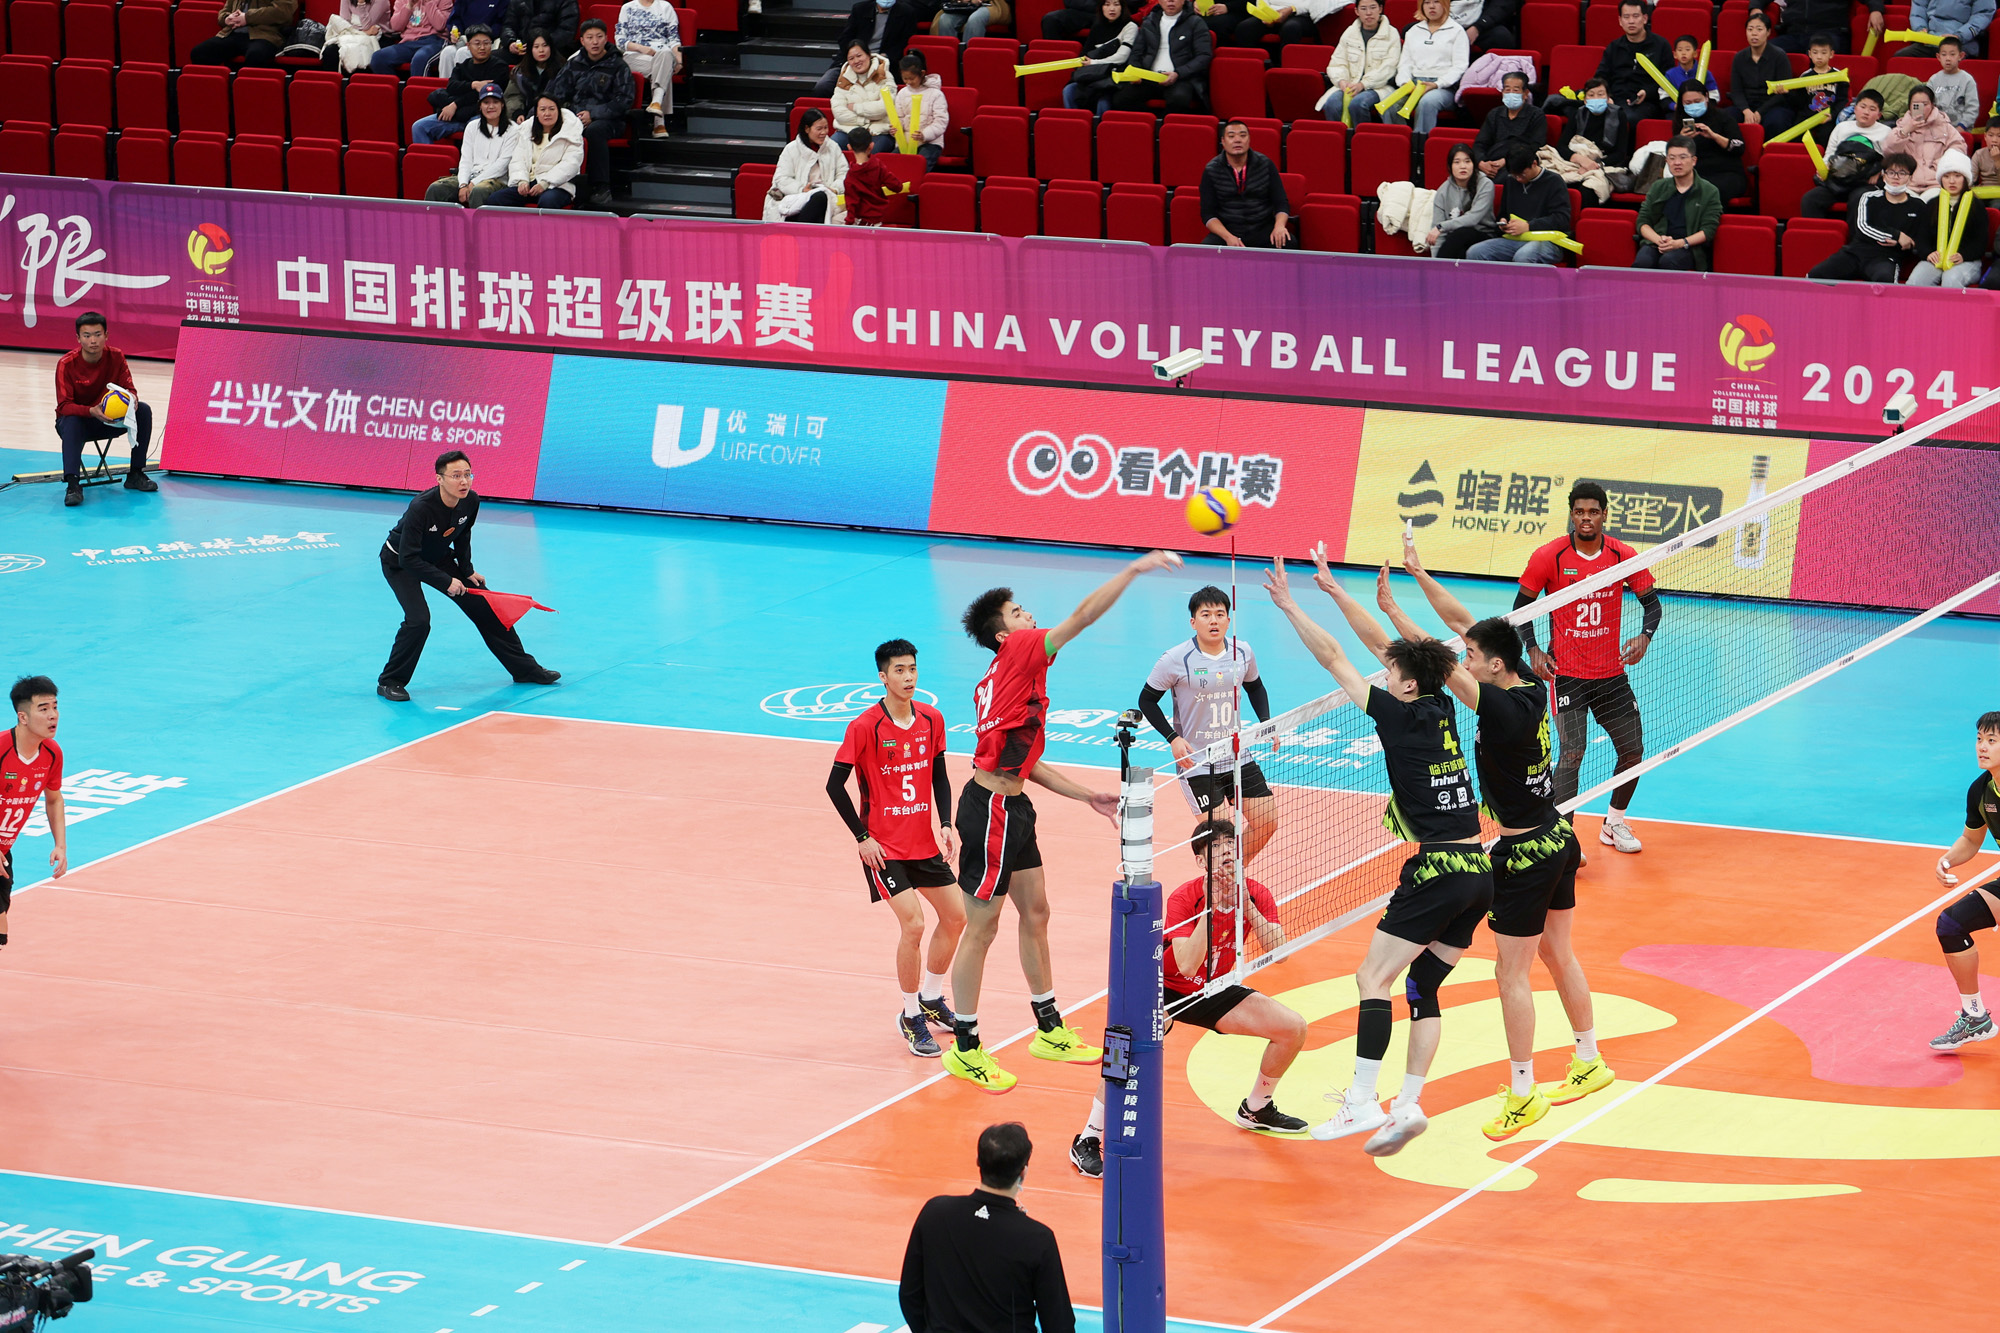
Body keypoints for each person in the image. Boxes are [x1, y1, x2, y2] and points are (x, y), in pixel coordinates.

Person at [1379, 545, 1613, 1142]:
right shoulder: (1529, 679)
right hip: (1559, 836)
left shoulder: (1503, 709)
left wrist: (1394, 616)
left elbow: (1438, 665)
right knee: (1559, 954)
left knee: (1511, 976)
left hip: (1525, 855)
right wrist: (1420, 573)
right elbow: (1464, 625)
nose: (1467, 657)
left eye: (1475, 658)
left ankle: (1523, 1093)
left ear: (1494, 667)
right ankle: (1589, 1059)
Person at [1263, 550, 1488, 1156]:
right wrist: (1339, 594)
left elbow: (1336, 656)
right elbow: (1386, 649)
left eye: (1392, 673)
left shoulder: (1397, 715)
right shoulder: (1439, 703)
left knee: (1372, 979)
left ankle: (1363, 1101)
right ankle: (1407, 1104)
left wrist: (1289, 605)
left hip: (1439, 870)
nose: (1385, 675)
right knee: (1423, 986)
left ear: (1406, 685)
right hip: (1478, 873)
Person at [944, 550, 1184, 1094]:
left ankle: (1049, 1028)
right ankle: (966, 1046)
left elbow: (1021, 763)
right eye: (1018, 612)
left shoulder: (1007, 673)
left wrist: (1084, 796)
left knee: (1037, 912)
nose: (1029, 616)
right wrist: (1134, 569)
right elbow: (1083, 616)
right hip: (990, 813)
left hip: (1014, 808)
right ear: (1004, 635)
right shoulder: (1021, 649)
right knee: (982, 928)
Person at [1071, 816, 1310, 1177]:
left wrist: (1245, 904)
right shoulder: (1185, 897)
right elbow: (1185, 964)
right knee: (1125, 1047)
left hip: (1214, 988)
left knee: (1293, 1028)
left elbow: (1281, 953)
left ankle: (1256, 1108)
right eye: (1216, 846)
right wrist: (1211, 911)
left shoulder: (1256, 892)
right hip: (1159, 985)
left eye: (1230, 844)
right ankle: (1088, 1137)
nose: (1226, 850)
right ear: (1201, 861)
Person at [827, 640, 963, 1057]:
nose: (908, 677)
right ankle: (910, 1015)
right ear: (883, 677)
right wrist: (862, 837)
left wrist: (945, 823)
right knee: (914, 925)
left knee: (957, 917)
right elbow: (835, 785)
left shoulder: (932, 719)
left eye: (913, 669)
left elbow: (939, 775)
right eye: (899, 670)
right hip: (884, 849)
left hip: (923, 843)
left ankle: (931, 997)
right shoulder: (865, 726)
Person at [1515, 482, 1662, 854]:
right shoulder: (1549, 556)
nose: (1586, 518)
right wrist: (1533, 649)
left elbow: (1652, 605)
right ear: (1571, 514)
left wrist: (1644, 637)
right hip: (1567, 675)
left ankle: (1613, 824)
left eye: (1593, 512)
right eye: (1579, 512)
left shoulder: (1621, 555)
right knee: (1572, 753)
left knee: (1633, 751)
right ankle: (1562, 838)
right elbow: (1521, 609)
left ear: (1604, 515)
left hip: (1611, 675)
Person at [376, 451, 561, 701]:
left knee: (487, 608)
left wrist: (466, 570)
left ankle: (525, 670)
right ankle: (390, 681)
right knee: (419, 620)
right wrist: (446, 581)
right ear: (439, 479)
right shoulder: (421, 507)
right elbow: (408, 558)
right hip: (400, 561)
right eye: (456, 476)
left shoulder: (471, 500)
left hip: (438, 556)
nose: (463, 481)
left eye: (467, 475)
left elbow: (462, 535)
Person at [1139, 587, 1277, 861]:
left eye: (1219, 614)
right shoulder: (1175, 659)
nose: (1213, 620)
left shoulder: (1243, 652)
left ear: (1228, 620)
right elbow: (1147, 700)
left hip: (1237, 755)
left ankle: (1233, 874)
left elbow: (1255, 687)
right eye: (1206, 615)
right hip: (1198, 762)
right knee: (1220, 838)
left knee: (1267, 822)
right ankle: (1220, 878)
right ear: (1193, 622)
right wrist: (1173, 738)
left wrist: (1266, 722)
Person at [899, 1124, 1074, 1333]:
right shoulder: (1038, 1238)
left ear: (978, 1162)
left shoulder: (935, 1212)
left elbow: (909, 1295)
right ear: (1023, 1171)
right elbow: (1059, 1324)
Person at [1928, 712, 2000, 1052]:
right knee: (1951, 925)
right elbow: (1971, 839)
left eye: (1992, 741)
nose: (1982, 747)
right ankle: (1975, 1016)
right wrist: (1947, 860)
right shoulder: (1981, 790)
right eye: (1979, 739)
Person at [54, 312, 156, 508]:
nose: (93, 341)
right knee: (72, 420)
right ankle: (73, 485)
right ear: (78, 338)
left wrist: (132, 399)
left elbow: (130, 389)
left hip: (110, 421)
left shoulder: (116, 356)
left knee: (143, 410)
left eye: (98, 334)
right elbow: (64, 406)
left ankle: (136, 473)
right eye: (87, 335)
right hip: (79, 424)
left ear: (106, 335)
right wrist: (91, 411)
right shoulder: (66, 364)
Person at [0, 676, 68, 955]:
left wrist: (60, 845)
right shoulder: (1, 749)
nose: (53, 715)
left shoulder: (52, 754)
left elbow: (54, 799)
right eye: (43, 708)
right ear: (23, 717)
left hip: (4, 852)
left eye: (55, 707)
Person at [549, 18, 639, 208]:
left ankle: (601, 186)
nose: (595, 42)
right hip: (575, 117)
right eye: (590, 37)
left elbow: (624, 101)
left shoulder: (618, 66)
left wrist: (593, 114)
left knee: (594, 130)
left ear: (606, 38)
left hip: (610, 120)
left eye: (599, 37)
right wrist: (574, 115)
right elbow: (555, 94)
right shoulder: (573, 64)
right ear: (582, 41)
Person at [1547, 0, 1670, 124]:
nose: (1631, 21)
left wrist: (1648, 92)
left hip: (1646, 102)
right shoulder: (1614, 46)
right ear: (1620, 21)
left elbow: (1668, 80)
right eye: (1626, 17)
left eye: (1635, 16)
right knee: (1577, 112)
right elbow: (1601, 76)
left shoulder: (1661, 45)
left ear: (1645, 18)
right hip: (1615, 98)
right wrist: (1605, 96)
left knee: (1625, 118)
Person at [1809, 148, 1926, 279]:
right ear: (1884, 175)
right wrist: (1897, 235)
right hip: (1855, 252)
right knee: (1815, 275)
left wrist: (1905, 243)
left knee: (1884, 279)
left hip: (1886, 257)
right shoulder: (1869, 197)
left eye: (1902, 173)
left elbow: (1918, 239)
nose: (1896, 177)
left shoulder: (1918, 206)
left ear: (1910, 178)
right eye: (1891, 172)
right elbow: (1863, 227)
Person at [1466, 142, 1569, 264]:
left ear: (1534, 164)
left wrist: (1529, 226)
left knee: (1524, 255)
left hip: (1546, 240)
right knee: (1475, 252)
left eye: (1522, 175)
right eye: (1515, 175)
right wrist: (1503, 223)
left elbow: (1561, 219)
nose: (1518, 179)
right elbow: (1503, 213)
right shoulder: (1511, 181)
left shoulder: (1554, 181)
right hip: (1515, 239)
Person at [1199, 119, 1293, 248]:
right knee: (1206, 250)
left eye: (1243, 135)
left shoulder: (1266, 164)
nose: (1237, 140)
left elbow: (1281, 203)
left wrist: (1279, 226)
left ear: (1249, 140)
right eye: (1231, 136)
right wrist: (1228, 237)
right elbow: (1208, 214)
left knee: (1288, 242)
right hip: (1228, 230)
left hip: (1263, 229)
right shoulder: (1212, 170)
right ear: (1223, 142)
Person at [1110, 0, 1212, 117]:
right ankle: (1150, 124)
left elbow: (1204, 56)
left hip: (1181, 78)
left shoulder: (1195, 22)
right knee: (1121, 99)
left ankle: (1165, 126)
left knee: (1179, 99)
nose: (1170, 1)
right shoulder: (1149, 21)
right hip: (1149, 76)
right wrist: (1135, 72)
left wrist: (1178, 73)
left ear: (1184, 1)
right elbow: (1137, 52)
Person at [1633, 136, 1721, 270]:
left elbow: (1708, 230)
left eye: (1683, 157)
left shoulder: (1709, 191)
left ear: (1694, 161)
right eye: (1672, 158)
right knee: (1642, 263)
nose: (1677, 163)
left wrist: (1680, 243)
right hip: (1658, 242)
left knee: (1669, 262)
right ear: (1666, 161)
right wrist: (1658, 240)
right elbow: (1643, 221)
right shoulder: (1658, 187)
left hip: (1688, 246)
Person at [411, 26, 512, 142]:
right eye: (477, 44)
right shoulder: (462, 66)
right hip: (459, 114)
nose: (482, 47)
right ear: (468, 46)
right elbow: (451, 87)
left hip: (481, 114)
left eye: (486, 43)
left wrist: (455, 104)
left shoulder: (499, 67)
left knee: (474, 126)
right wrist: (473, 85)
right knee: (419, 127)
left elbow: (485, 96)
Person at [1798, 90, 1888, 218]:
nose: (1866, 112)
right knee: (1810, 199)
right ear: (1855, 108)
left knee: (1859, 200)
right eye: (1862, 107)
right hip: (1838, 179)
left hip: (1865, 182)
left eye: (1872, 109)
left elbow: (1892, 161)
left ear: (1879, 115)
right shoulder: (1842, 127)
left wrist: (1880, 172)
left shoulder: (1886, 132)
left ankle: (1853, 232)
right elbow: (1829, 154)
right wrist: (1824, 168)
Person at [424, 84, 520, 203]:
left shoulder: (514, 130)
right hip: (471, 176)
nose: (491, 106)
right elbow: (466, 160)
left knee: (478, 191)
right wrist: (463, 184)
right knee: (436, 189)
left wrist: (473, 183)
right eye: (486, 102)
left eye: (495, 102)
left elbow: (502, 166)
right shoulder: (472, 126)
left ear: (502, 104)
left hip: (497, 180)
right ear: (480, 106)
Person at [484, 93, 584, 207]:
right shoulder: (526, 131)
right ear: (536, 113)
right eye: (542, 109)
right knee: (496, 199)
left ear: (559, 112)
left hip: (558, 185)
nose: (547, 113)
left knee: (547, 201)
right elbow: (518, 160)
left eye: (552, 109)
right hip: (529, 183)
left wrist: (545, 183)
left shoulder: (571, 133)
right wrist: (521, 181)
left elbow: (571, 164)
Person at [1909, 149, 1988, 284]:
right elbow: (1922, 237)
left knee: (1951, 279)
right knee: (1915, 281)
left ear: (1965, 179)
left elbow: (1980, 241)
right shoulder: (1932, 204)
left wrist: (1963, 255)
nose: (1952, 181)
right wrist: (1928, 253)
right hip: (1936, 259)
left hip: (1967, 261)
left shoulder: (1977, 206)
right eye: (1946, 176)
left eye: (1957, 176)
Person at [1390, 0, 1468, 135]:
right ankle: (1400, 141)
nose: (1431, 6)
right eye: (1427, 2)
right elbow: (1405, 63)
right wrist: (1405, 83)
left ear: (1445, 4)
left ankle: (1420, 144)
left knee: (1427, 102)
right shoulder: (1413, 31)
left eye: (1436, 2)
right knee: (1391, 102)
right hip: (1414, 83)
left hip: (1443, 87)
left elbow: (1460, 66)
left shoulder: (1457, 31)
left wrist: (1437, 84)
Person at [1321, 0, 1402, 125]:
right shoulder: (1349, 32)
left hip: (1378, 87)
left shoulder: (1391, 34)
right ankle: (1339, 136)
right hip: (1350, 84)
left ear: (1380, 9)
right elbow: (1337, 62)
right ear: (1356, 11)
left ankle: (1362, 136)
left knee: (1358, 104)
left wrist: (1363, 84)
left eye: (1373, 8)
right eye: (1363, 9)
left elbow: (1389, 67)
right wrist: (1341, 81)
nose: (1368, 13)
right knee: (1332, 104)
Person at [765, 108, 848, 223]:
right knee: (819, 199)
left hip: (827, 195)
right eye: (819, 129)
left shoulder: (833, 147)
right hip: (797, 196)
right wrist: (802, 189)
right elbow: (781, 179)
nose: (824, 132)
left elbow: (844, 174)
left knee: (821, 198)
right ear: (807, 129)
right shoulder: (791, 149)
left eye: (826, 128)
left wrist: (834, 189)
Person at [1675, 78, 1748, 204]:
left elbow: (1739, 147)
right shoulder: (1680, 120)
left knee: (1709, 191)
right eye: (1688, 103)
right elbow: (1676, 156)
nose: (1693, 105)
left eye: (1697, 101)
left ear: (1706, 97)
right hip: (1696, 173)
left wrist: (1714, 136)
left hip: (1727, 173)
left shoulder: (1723, 116)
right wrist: (1681, 140)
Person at [617, 0, 682, 136]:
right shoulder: (627, 8)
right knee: (664, 69)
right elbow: (620, 41)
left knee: (665, 56)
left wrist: (679, 61)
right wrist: (642, 48)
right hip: (634, 56)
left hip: (662, 55)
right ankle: (659, 123)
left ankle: (656, 103)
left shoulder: (665, 7)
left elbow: (673, 39)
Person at [1065, 0, 1139, 113]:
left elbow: (1121, 57)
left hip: (1115, 75)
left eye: (1116, 4)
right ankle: (1075, 122)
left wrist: (1093, 62)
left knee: (1103, 99)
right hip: (1095, 74)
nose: (1112, 9)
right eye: (1107, 4)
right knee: (1069, 90)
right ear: (1101, 7)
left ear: (1122, 7)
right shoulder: (1097, 26)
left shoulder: (1130, 26)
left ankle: (1101, 123)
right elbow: (1086, 54)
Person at [1883, 84, 1960, 191]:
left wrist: (1939, 166)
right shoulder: (1901, 128)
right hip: (1907, 184)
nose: (1921, 108)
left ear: (1932, 105)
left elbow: (1958, 149)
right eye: (1916, 104)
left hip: (1937, 183)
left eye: (1925, 104)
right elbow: (1888, 152)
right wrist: (1906, 131)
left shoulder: (1945, 127)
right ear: (1909, 106)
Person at [1471, 71, 1546, 179]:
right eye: (1507, 90)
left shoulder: (1536, 115)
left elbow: (1536, 146)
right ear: (1502, 92)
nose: (1511, 94)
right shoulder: (1494, 114)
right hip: (1490, 162)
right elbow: (1480, 143)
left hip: (1518, 163)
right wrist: (1481, 163)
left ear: (1525, 93)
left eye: (1515, 90)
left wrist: (1506, 161)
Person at [1776, 33, 1848, 147]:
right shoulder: (1805, 76)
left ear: (1831, 54)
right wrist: (1787, 93)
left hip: (1827, 116)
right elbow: (1799, 101)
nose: (1819, 57)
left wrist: (1833, 114)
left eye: (1823, 53)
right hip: (1807, 115)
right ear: (1809, 54)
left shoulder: (1839, 76)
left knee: (1826, 135)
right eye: (1815, 52)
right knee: (1796, 135)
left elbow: (1842, 100)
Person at [1427, 142, 1495, 258]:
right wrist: (1435, 261)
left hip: (1483, 235)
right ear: (1450, 167)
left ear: (1474, 164)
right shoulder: (1443, 191)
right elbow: (1438, 234)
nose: (1463, 166)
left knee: (1462, 233)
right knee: (1457, 248)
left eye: (1467, 161)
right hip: (1455, 240)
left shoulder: (1485, 184)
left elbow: (1473, 219)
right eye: (1457, 162)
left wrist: (1441, 227)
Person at [1731, 11, 1793, 134]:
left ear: (1768, 32)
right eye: (1750, 29)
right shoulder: (1739, 57)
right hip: (1747, 105)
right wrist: (1746, 110)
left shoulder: (1779, 56)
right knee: (1726, 117)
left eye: (1759, 29)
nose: (1754, 33)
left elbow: (1783, 93)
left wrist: (1760, 112)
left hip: (1772, 106)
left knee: (1776, 121)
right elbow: (1736, 91)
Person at [831, 41, 897, 150]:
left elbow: (885, 108)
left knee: (873, 150)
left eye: (859, 56)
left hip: (878, 131)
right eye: (851, 58)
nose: (856, 61)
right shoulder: (843, 79)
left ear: (869, 54)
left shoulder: (884, 75)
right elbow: (839, 113)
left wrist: (855, 107)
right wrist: (866, 119)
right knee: (830, 148)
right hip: (849, 130)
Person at [190, 0, 298, 67]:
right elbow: (225, 10)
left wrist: (247, 18)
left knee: (256, 56)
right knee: (200, 52)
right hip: (233, 32)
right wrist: (226, 18)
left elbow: (282, 12)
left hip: (265, 35)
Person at [891, 51, 949, 167]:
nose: (908, 82)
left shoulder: (936, 94)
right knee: (892, 163)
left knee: (918, 164)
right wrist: (896, 129)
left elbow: (941, 121)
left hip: (930, 143)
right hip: (905, 142)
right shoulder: (902, 93)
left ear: (922, 74)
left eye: (912, 79)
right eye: (905, 79)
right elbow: (899, 117)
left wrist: (924, 134)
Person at [1766, 0, 1880, 54]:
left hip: (1829, 32)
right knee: (1764, 50)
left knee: (1820, 51)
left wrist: (1876, 10)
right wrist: (1757, 7)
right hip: (1794, 34)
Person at [371, 0, 452, 75]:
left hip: (435, 40)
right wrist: (409, 6)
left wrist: (428, 3)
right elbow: (396, 27)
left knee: (420, 59)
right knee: (378, 58)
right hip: (409, 42)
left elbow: (440, 26)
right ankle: (398, 86)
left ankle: (418, 87)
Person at [1564, 77, 1629, 165]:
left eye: (1600, 94)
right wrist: (1579, 159)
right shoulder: (1578, 114)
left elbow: (1620, 153)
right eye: (1591, 95)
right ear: (1585, 100)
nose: (1596, 98)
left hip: (1605, 163)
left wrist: (1596, 164)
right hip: (1578, 159)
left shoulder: (1619, 115)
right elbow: (1562, 146)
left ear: (1608, 98)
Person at [844, 133, 906, 223]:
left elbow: (851, 203)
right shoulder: (878, 165)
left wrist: (849, 222)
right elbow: (897, 186)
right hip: (881, 215)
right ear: (871, 145)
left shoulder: (850, 176)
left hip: (862, 220)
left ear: (849, 147)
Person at [1903, 0, 1994, 57]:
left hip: (1961, 43)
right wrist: (1920, 29)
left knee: (1950, 62)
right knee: (1901, 59)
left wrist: (1959, 36)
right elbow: (1918, 10)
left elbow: (1982, 15)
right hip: (1929, 41)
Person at [507, 31, 563, 122]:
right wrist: (517, 112)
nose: (541, 50)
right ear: (530, 49)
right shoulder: (519, 72)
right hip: (525, 119)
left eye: (545, 45)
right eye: (536, 47)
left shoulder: (563, 70)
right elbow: (512, 96)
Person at [1929, 36, 1982, 127]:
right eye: (1944, 55)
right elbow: (1927, 105)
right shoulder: (1933, 80)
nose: (1948, 58)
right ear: (1938, 57)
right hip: (1937, 127)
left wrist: (1962, 126)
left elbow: (1972, 108)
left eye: (1952, 54)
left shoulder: (1967, 80)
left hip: (1960, 128)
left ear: (1961, 56)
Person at [323, 0, 390, 71]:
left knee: (360, 54)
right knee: (330, 50)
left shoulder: (382, 1)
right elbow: (345, 25)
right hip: (352, 35)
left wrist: (361, 4)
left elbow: (367, 26)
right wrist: (365, 32)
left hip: (378, 37)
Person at [502, 0, 578, 60]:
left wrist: (542, 45)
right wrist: (510, 42)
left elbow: (567, 30)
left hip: (552, 49)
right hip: (523, 49)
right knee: (497, 60)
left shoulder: (565, 1)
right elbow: (508, 25)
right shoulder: (517, 1)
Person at [1450, 0, 1518, 55]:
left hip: (1481, 26)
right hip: (1449, 24)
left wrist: (1477, 27)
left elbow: (1501, 6)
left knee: (1501, 36)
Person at [1973, 119, 2000, 187]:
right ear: (1985, 136)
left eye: (1999, 136)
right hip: (1984, 190)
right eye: (1990, 135)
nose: (1994, 140)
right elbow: (1971, 179)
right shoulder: (1979, 154)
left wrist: (1997, 160)